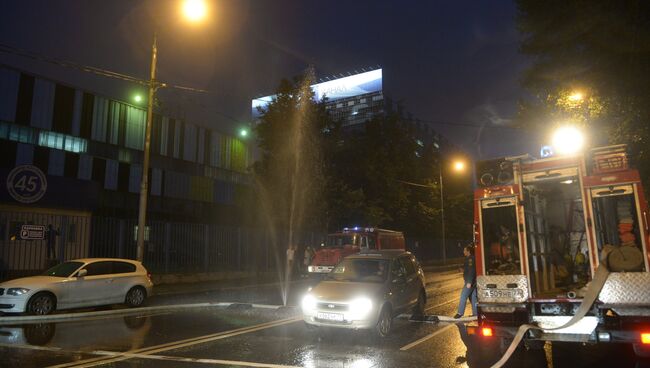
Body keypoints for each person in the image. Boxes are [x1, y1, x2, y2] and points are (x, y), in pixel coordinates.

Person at [454, 245, 477, 318]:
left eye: (464, 250)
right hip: (473, 281)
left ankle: (460, 313)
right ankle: (476, 314)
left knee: (463, 296)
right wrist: (462, 269)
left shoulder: (470, 259)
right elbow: (468, 269)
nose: (463, 252)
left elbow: (471, 270)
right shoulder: (469, 259)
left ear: (468, 251)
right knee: (474, 297)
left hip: (470, 281)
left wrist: (469, 282)